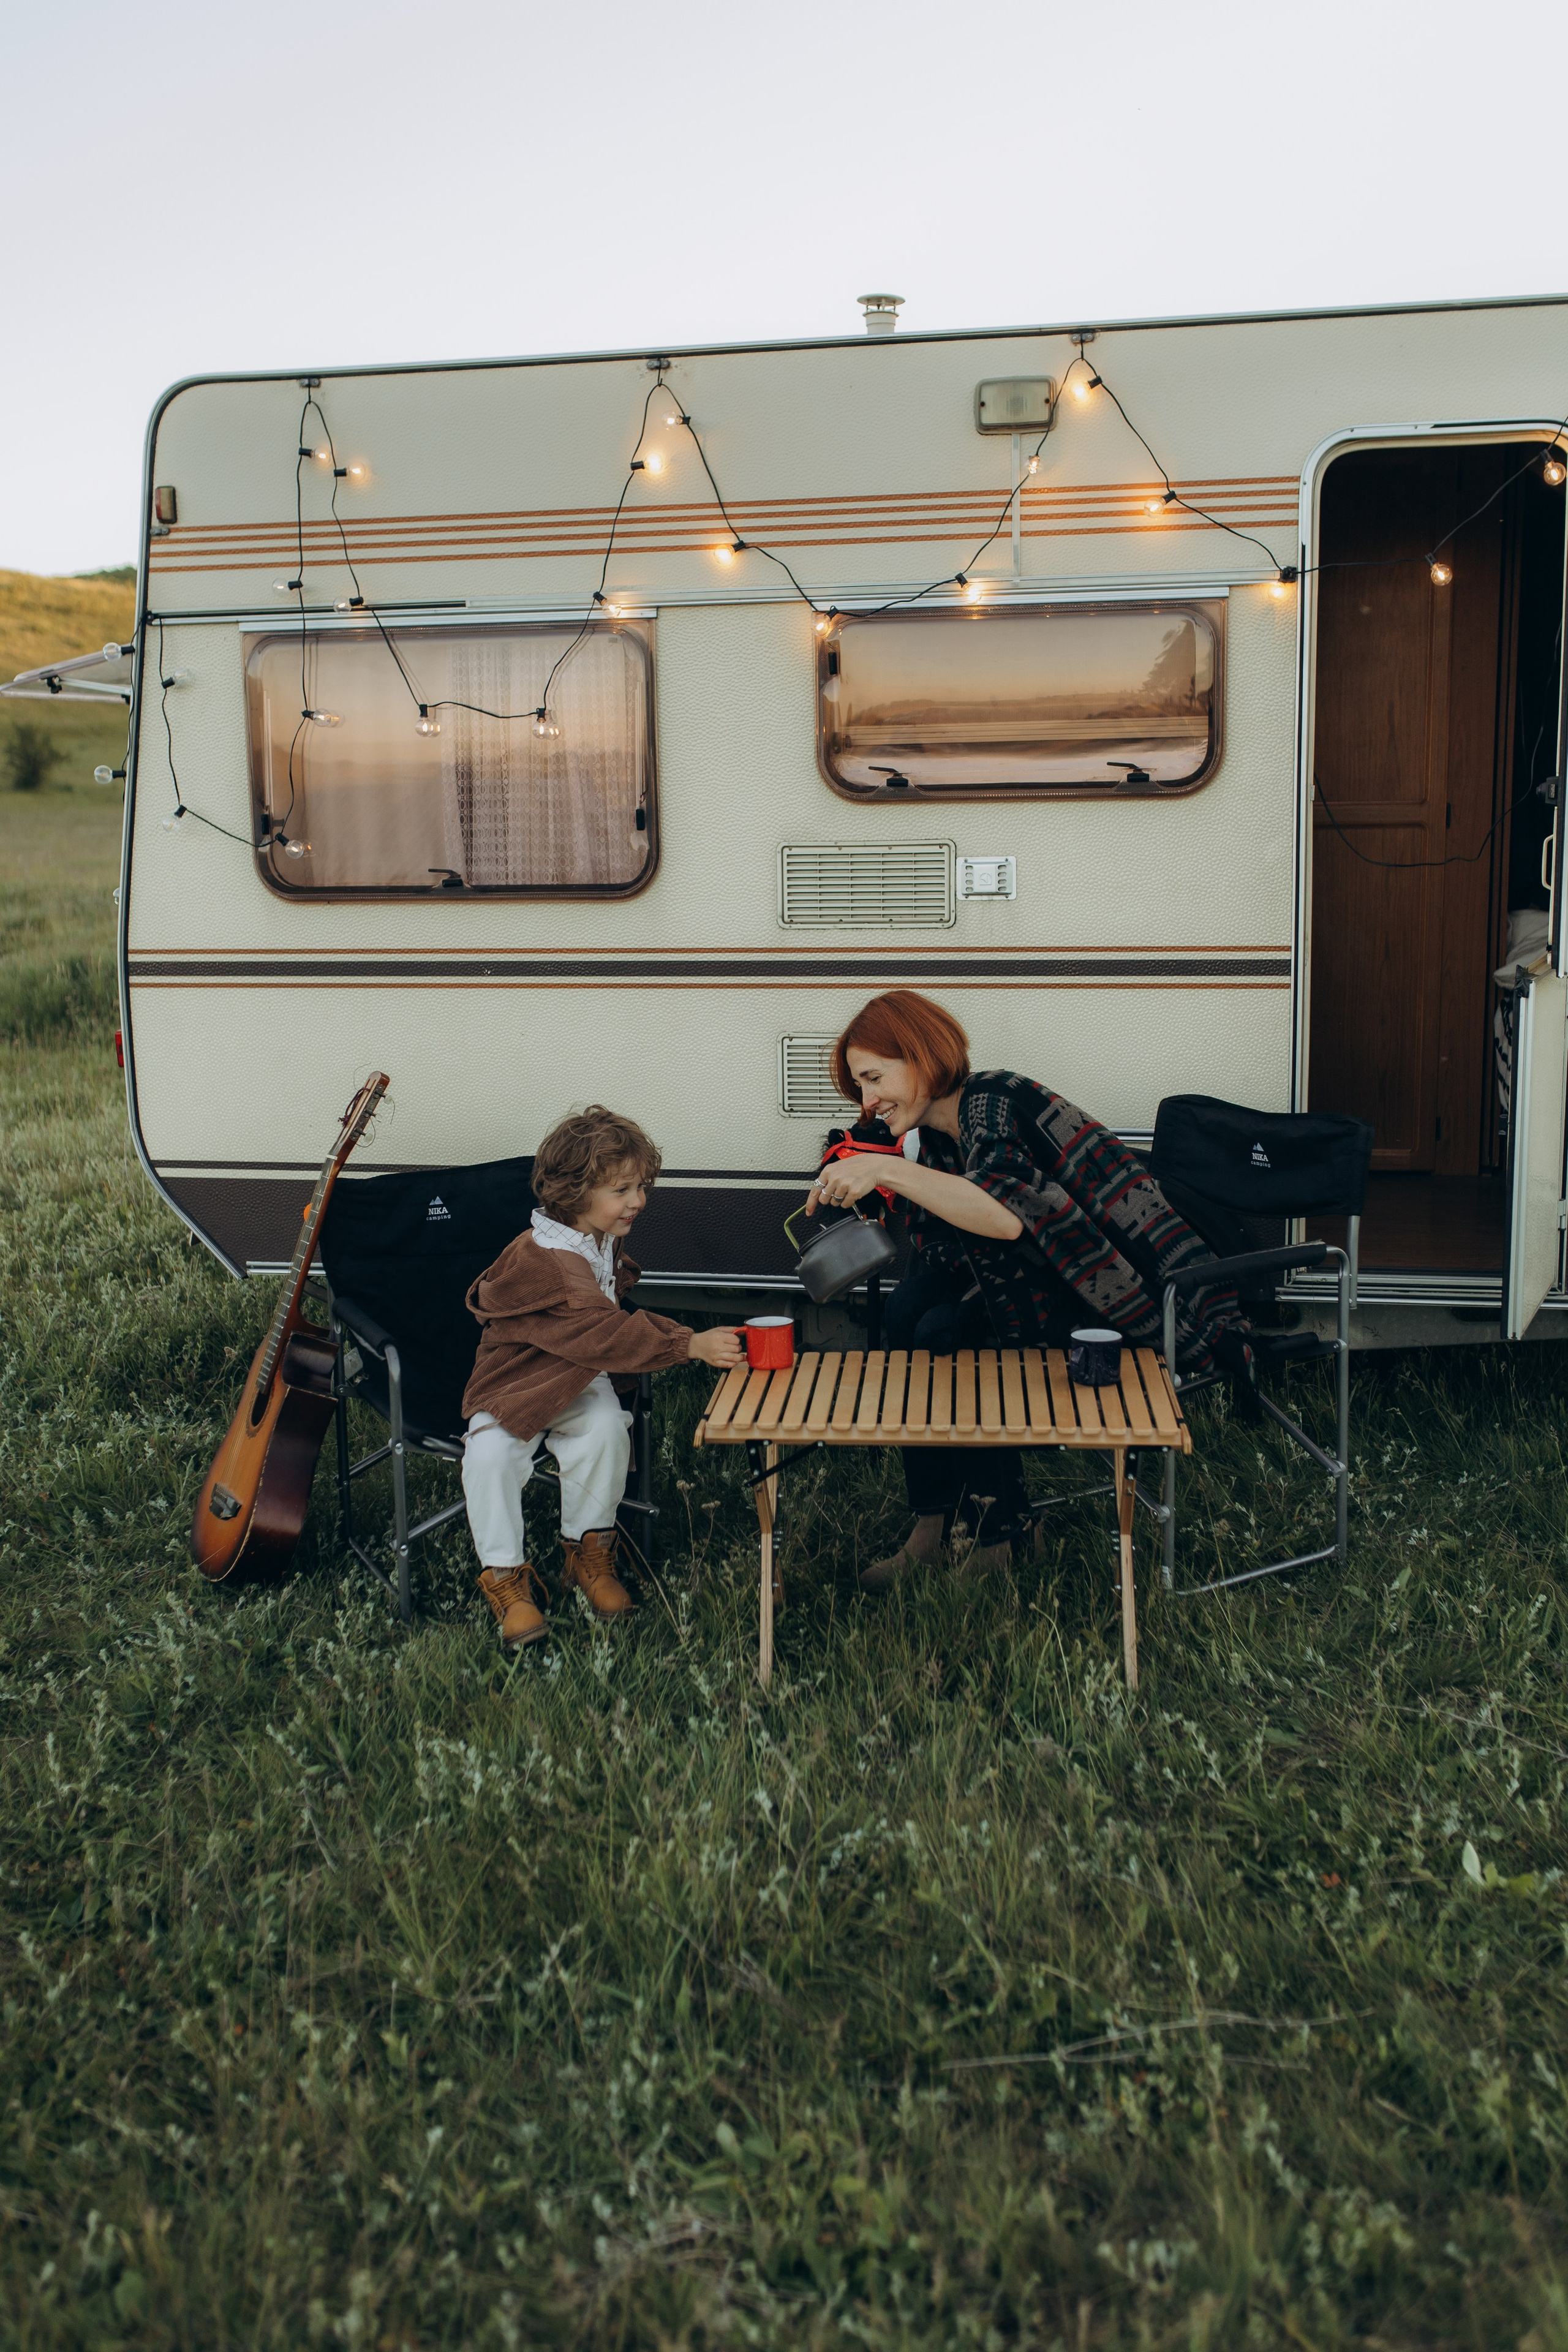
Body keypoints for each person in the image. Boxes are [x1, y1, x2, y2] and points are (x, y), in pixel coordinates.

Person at [804, 990, 1248, 1593]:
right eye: (859, 1087)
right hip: (1053, 1283)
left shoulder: (995, 1100)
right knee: (908, 1308)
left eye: (874, 1078)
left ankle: (1004, 1535)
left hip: (1126, 1295)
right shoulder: (936, 1138)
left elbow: (1007, 1220)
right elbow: (946, 1254)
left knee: (944, 1331)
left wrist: (886, 1170)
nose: (867, 1103)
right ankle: (934, 1524)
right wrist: (874, 1181)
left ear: (924, 1056)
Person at [461, 1106, 742, 1648]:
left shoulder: (593, 1235)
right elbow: (602, 1332)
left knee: (607, 1428)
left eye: (641, 1187)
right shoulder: (550, 1260)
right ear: (574, 1193)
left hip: (576, 1375)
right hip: (515, 1383)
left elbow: (597, 1333)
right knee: (489, 1456)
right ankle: (506, 1579)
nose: (638, 1201)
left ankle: (588, 1555)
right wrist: (689, 1343)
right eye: (622, 1190)